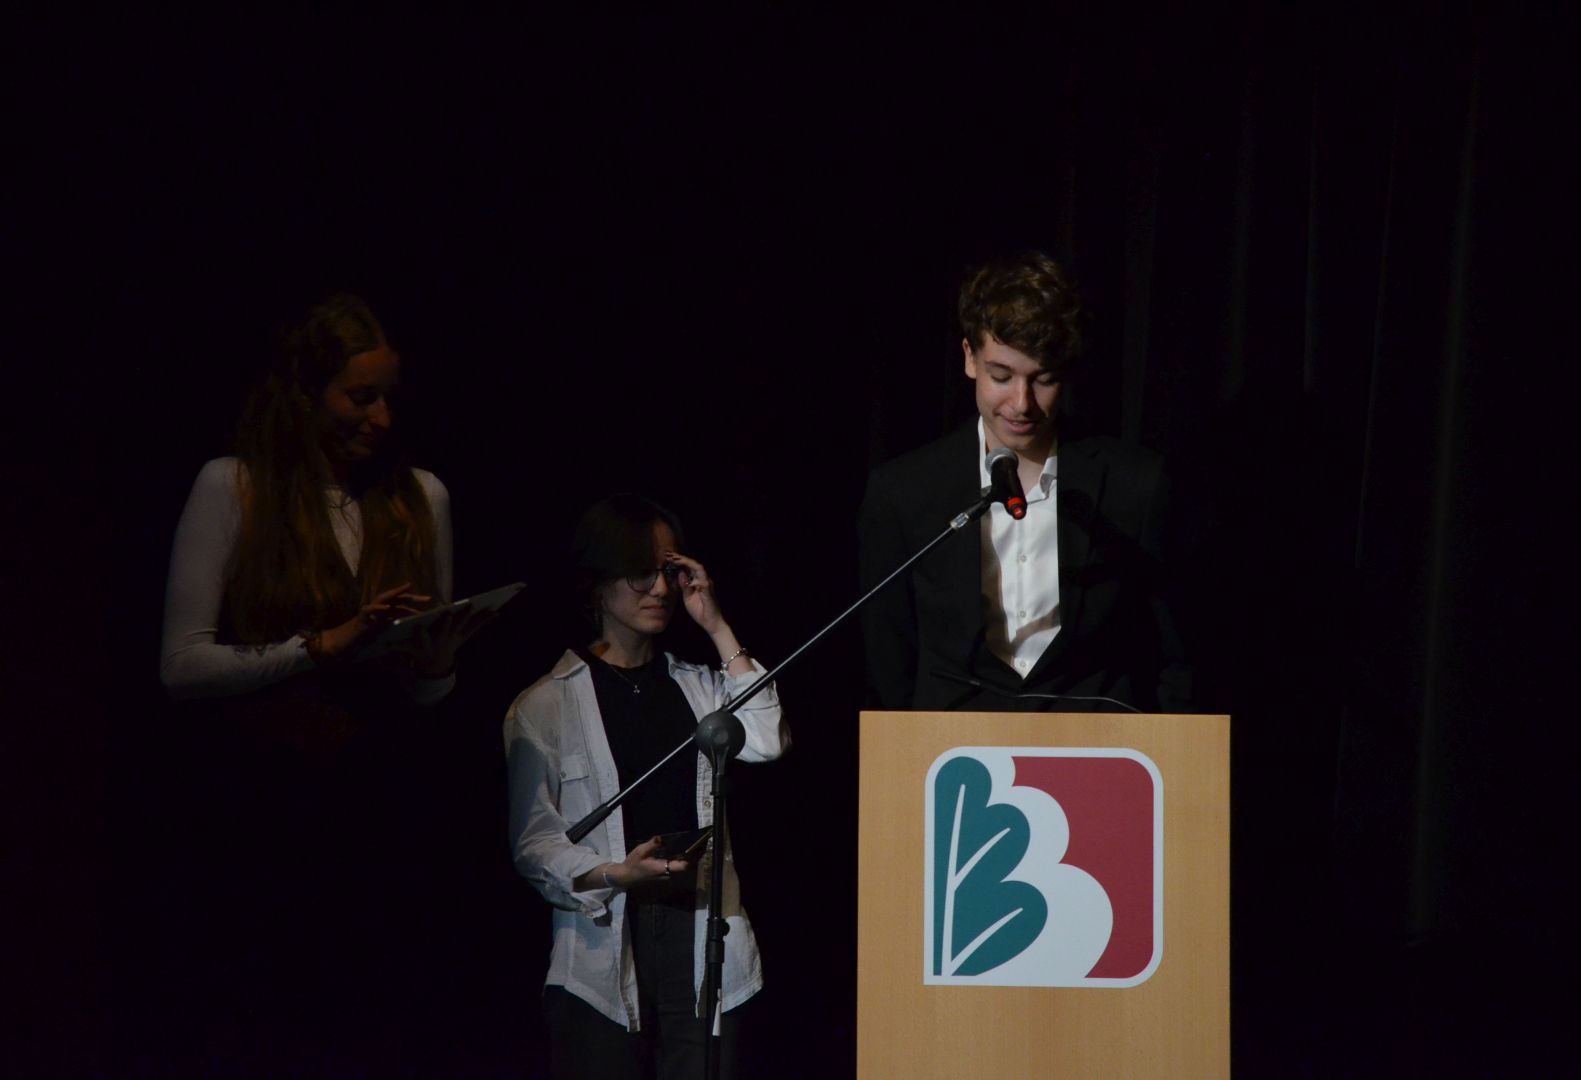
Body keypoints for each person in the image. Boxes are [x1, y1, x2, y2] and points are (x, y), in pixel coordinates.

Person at [155, 293, 487, 1065]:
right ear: (304, 394)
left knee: (374, 1025)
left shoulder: (421, 497)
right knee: (266, 1024)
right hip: (260, 810)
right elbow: (180, 666)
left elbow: (429, 692)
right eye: (359, 397)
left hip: (382, 813)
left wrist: (438, 664)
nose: (380, 418)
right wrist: (321, 647)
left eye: (388, 398)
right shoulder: (235, 486)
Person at [504, 493, 789, 1080]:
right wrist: (615, 874)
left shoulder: (698, 686)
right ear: (597, 581)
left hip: (701, 932)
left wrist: (716, 625)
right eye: (639, 572)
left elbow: (768, 739)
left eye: (668, 570)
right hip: (603, 940)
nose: (659, 589)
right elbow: (534, 844)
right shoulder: (547, 703)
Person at [858, 252, 1191, 713]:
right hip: (952, 744)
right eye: (1002, 376)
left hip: (1095, 742)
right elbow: (890, 660)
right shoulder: (904, 491)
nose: (1022, 403)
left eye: (1043, 380)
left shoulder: (1137, 483)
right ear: (970, 358)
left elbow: (1174, 653)